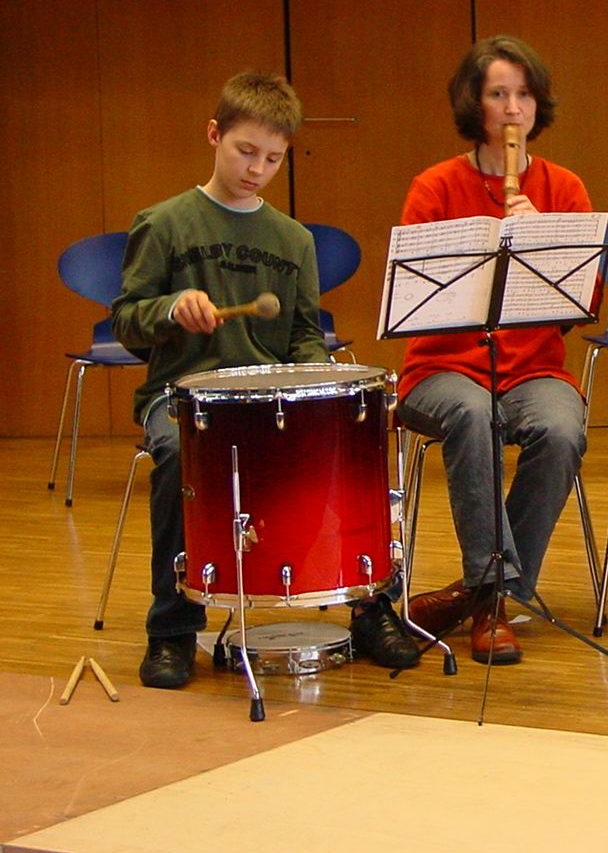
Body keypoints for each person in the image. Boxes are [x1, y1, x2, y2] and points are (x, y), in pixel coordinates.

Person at [113, 72, 420, 689]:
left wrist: (320, 371)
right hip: (185, 400)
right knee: (177, 456)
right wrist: (171, 309)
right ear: (214, 135)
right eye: (245, 151)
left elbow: (305, 334)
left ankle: (370, 604)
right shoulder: (165, 223)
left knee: (352, 450)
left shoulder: (293, 240)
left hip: (268, 404)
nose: (257, 168)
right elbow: (126, 321)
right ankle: (173, 629)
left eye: (273, 158)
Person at [399, 35, 590, 666]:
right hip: (443, 366)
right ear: (474, 105)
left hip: (533, 367)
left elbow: (574, 308)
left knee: (561, 427)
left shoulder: (564, 187)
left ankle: (481, 595)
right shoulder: (434, 187)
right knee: (472, 414)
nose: (513, 109)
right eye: (498, 95)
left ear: (538, 106)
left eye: (523, 95)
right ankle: (495, 602)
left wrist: (539, 243)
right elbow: (420, 307)